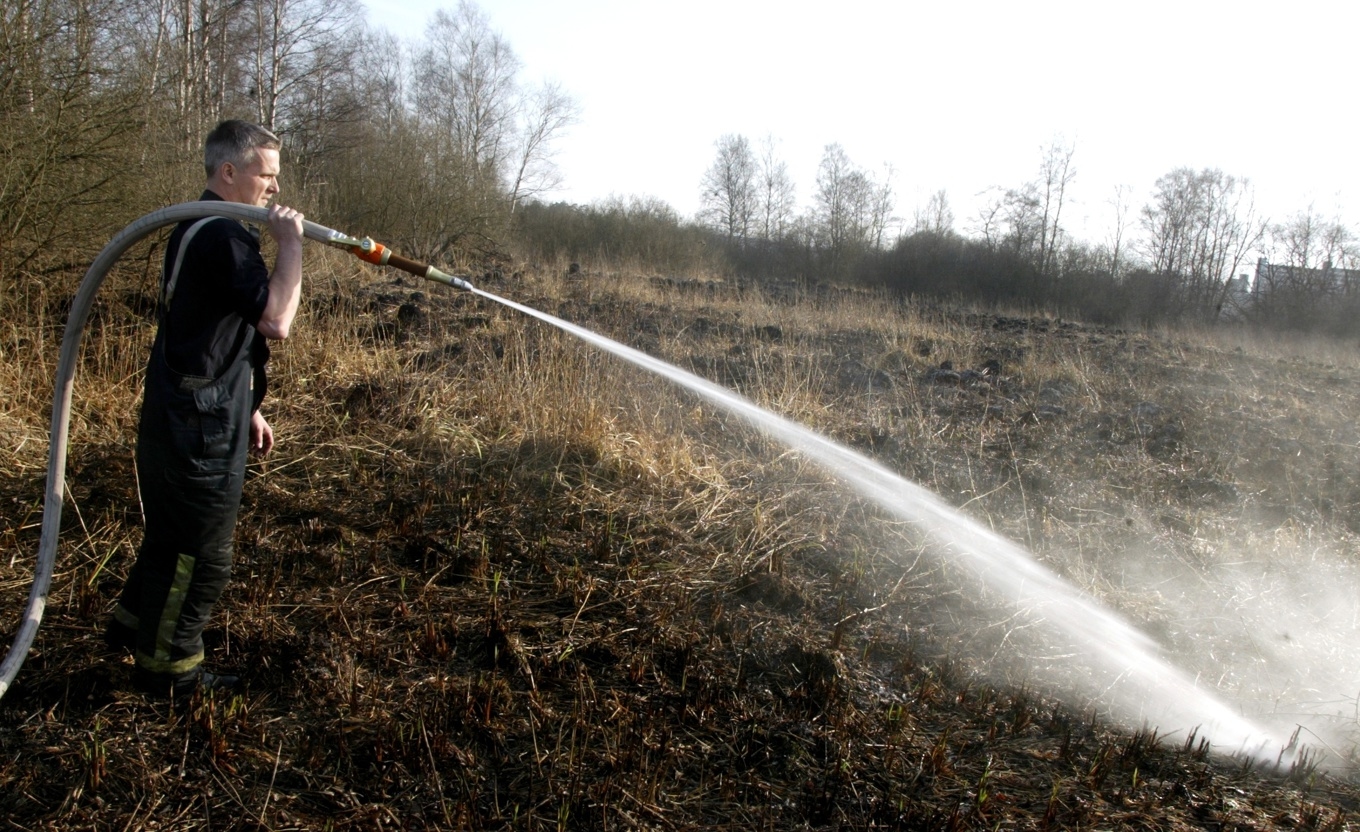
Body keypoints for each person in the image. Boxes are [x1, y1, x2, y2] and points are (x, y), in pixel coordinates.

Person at [103, 120, 304, 697]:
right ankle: (169, 673)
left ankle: (134, 628)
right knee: (200, 555)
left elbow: (202, 333)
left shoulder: (196, 225)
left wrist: (246, 404)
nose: (273, 187)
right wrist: (290, 246)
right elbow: (275, 320)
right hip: (197, 429)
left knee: (170, 536)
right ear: (229, 172)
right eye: (267, 175)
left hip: (183, 408)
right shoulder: (221, 237)